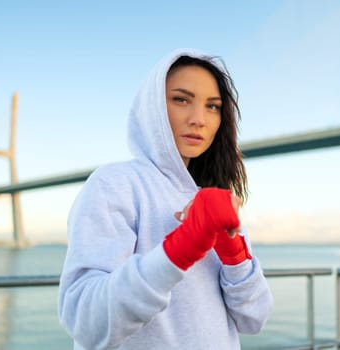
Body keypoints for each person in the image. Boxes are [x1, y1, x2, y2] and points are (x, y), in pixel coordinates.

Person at [58, 48, 273, 350]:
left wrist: (234, 253)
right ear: (153, 107)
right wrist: (182, 246)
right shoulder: (114, 184)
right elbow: (83, 321)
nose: (199, 119)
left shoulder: (212, 198)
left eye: (213, 107)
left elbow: (255, 319)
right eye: (181, 99)